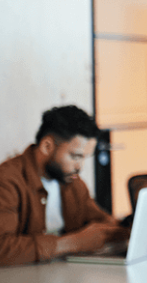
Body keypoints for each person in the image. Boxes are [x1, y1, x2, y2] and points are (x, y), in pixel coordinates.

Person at [0, 105, 128, 266]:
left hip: (61, 274)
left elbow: (99, 221)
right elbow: (2, 248)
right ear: (47, 146)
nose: (79, 167)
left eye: (84, 158)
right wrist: (73, 243)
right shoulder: (7, 180)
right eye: (75, 156)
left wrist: (126, 230)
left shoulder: (72, 181)